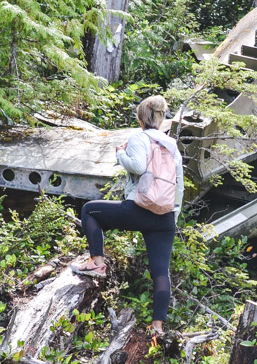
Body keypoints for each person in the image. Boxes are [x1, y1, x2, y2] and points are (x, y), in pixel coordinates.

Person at [72, 95, 184, 335]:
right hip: (165, 217)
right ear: (161, 118)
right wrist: (173, 215)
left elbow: (138, 167)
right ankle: (157, 327)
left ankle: (97, 263)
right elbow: (180, 186)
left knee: (89, 210)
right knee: (161, 272)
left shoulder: (138, 138)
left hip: (140, 209)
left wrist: (120, 153)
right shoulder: (172, 146)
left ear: (141, 119)